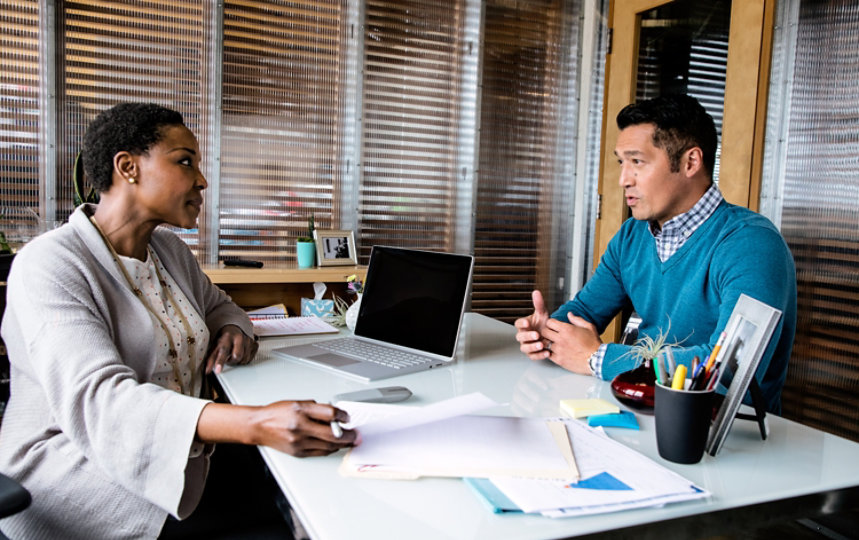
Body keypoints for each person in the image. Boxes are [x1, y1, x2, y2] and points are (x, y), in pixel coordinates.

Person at [0, 103, 358, 539]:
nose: (202, 180)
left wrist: (232, 328)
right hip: (83, 475)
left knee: (300, 488)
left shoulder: (166, 250)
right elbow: (103, 403)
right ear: (127, 167)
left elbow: (220, 305)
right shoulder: (51, 264)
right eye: (185, 161)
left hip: (183, 454)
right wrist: (255, 423)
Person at [515, 94, 797, 414]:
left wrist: (600, 359)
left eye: (637, 161)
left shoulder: (751, 244)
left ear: (690, 162)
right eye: (621, 162)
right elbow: (584, 313)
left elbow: (729, 369)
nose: (624, 179)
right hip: (638, 412)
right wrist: (546, 333)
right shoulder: (632, 236)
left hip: (722, 437)